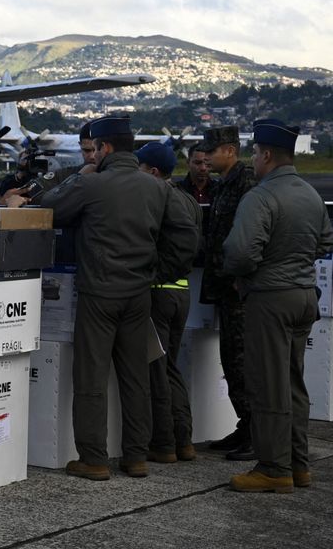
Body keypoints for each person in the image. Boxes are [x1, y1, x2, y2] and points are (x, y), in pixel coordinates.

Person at [36, 115, 181, 481]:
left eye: (95, 148)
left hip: (98, 293)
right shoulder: (158, 188)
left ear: (104, 147)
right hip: (138, 294)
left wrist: (77, 177)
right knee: (135, 378)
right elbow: (185, 237)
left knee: (91, 378)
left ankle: (94, 458)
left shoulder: (93, 185)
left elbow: (48, 208)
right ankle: (136, 457)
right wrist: (157, 273)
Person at [223, 119, 333, 493]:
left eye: (254, 153)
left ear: (267, 155)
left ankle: (273, 467)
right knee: (293, 384)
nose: (252, 160)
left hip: (270, 297)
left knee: (267, 385)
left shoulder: (261, 196)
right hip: (304, 295)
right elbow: (324, 241)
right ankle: (298, 464)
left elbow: (239, 253)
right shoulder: (309, 194)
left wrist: (248, 273)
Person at [135, 142, 202, 464]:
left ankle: (162, 443)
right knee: (172, 368)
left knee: (155, 372)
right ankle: (184, 440)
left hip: (158, 292)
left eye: (139, 168)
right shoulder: (188, 200)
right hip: (182, 293)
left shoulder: (155, 198)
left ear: (153, 172)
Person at [198, 125, 257, 460]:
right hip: (224, 287)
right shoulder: (224, 185)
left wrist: (239, 276)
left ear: (231, 150)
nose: (205, 156)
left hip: (239, 290)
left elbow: (248, 236)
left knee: (241, 360)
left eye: (212, 149)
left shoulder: (247, 183)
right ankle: (245, 425)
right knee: (231, 360)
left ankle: (255, 431)